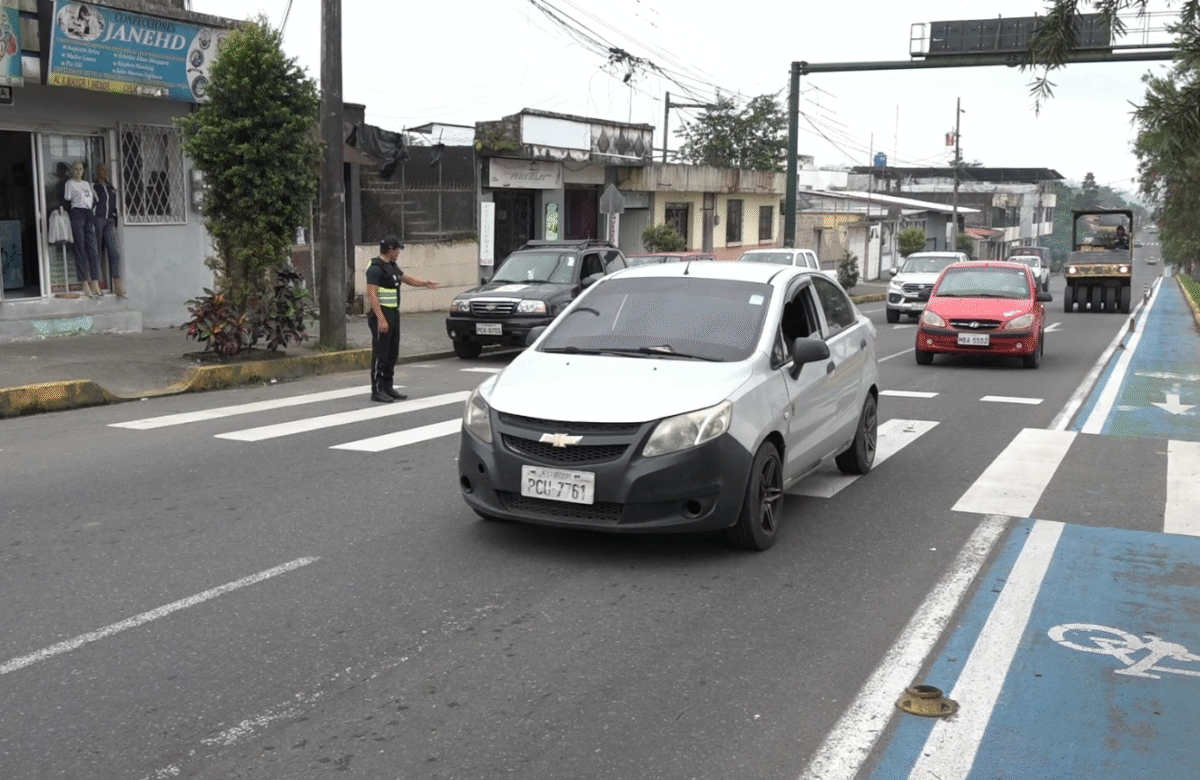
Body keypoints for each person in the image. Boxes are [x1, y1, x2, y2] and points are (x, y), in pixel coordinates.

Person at [365, 236, 440, 403]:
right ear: (390, 250)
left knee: (392, 352)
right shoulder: (375, 268)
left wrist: (425, 283)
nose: (399, 252)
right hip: (381, 314)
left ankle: (388, 387)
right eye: (397, 249)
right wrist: (381, 319)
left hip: (393, 314)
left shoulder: (391, 266)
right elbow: (372, 294)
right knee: (381, 353)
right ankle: (377, 390)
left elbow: (406, 278)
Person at [63, 161, 101, 297]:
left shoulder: (87, 184)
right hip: (76, 213)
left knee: (93, 247)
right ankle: (84, 282)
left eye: (80, 169)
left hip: (88, 212)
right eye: (75, 169)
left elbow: (93, 200)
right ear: (72, 170)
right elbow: (67, 200)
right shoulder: (69, 184)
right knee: (80, 248)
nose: (78, 171)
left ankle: (95, 281)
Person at [92, 163, 124, 298]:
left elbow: (114, 206)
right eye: (101, 169)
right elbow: (91, 205)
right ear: (97, 171)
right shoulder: (93, 187)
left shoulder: (112, 188)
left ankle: (117, 284)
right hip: (97, 220)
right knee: (97, 253)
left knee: (116, 253)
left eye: (106, 170)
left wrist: (114, 220)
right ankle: (97, 284)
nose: (104, 172)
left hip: (110, 221)